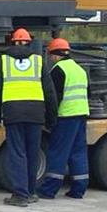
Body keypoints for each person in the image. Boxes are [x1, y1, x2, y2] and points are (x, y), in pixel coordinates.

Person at [0, 28, 57, 206]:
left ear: (12, 42)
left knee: (17, 154)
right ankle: (30, 192)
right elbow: (49, 92)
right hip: (35, 113)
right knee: (32, 154)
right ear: (29, 42)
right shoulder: (38, 60)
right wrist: (51, 117)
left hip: (13, 113)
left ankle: (20, 195)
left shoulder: (4, 60)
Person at [38, 37, 90, 199]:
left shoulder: (58, 70)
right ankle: (79, 190)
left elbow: (54, 99)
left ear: (54, 55)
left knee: (58, 152)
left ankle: (49, 190)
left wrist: (49, 119)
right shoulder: (80, 70)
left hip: (66, 116)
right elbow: (88, 93)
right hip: (81, 115)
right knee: (78, 152)